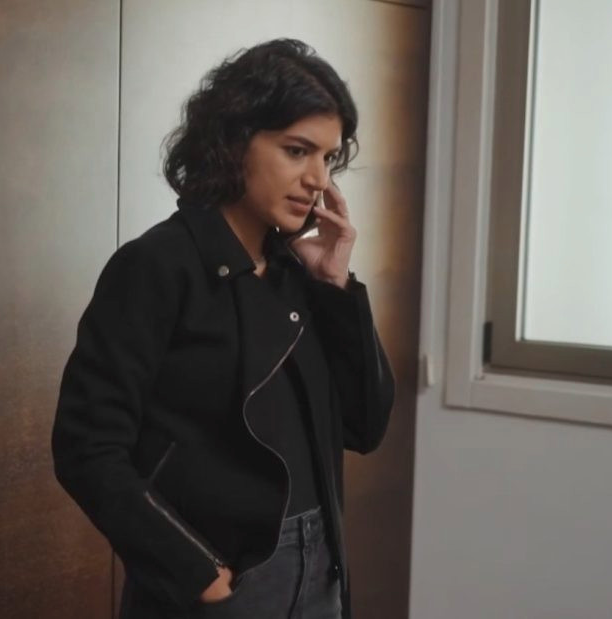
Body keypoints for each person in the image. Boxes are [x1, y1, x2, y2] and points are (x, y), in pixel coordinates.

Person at [51, 38, 395, 619]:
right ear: (234, 140)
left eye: (328, 158)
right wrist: (198, 574)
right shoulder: (156, 266)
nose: (317, 178)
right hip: (222, 579)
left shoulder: (297, 272)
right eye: (297, 151)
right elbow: (86, 447)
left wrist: (336, 285)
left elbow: (365, 425)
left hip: (321, 570)